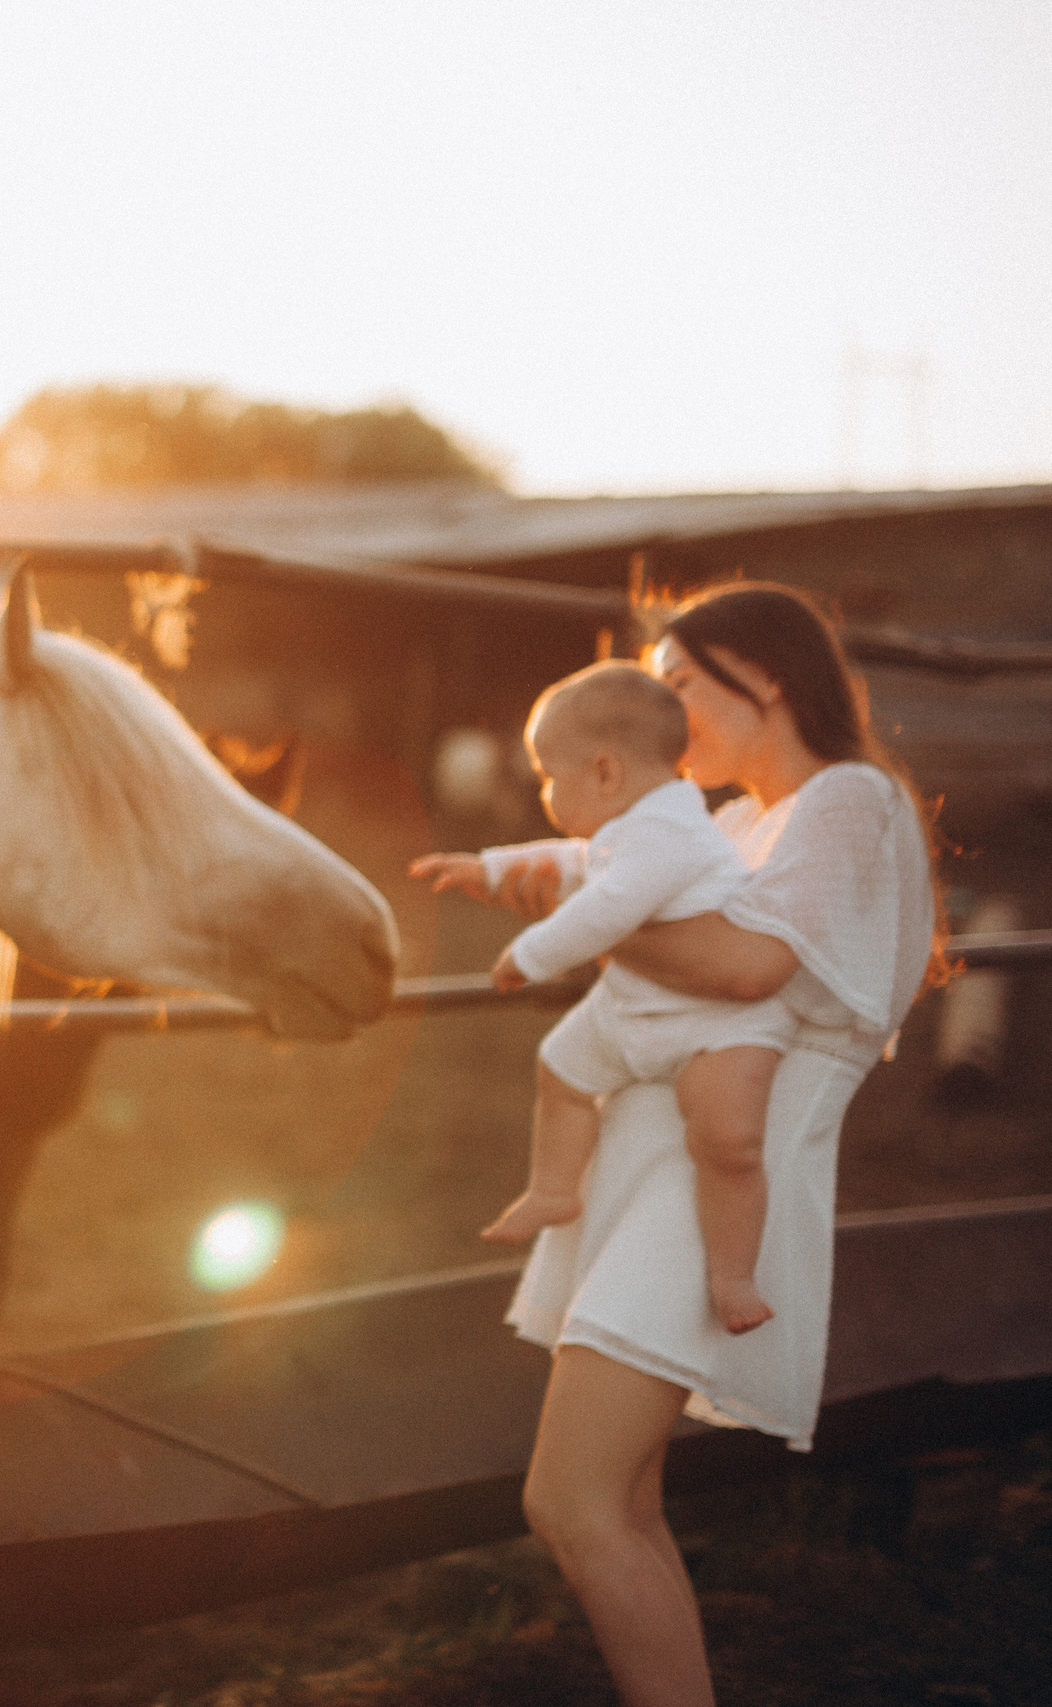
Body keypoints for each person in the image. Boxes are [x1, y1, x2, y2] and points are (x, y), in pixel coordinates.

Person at [451, 582, 939, 1707]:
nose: (658, 715)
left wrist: (587, 929)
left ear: (762, 678)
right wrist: (554, 892)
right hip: (652, 1155)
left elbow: (742, 968)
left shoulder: (847, 799)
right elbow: (654, 913)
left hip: (718, 1179)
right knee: (617, 1503)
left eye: (678, 686)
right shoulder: (727, 825)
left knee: (569, 1499)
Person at [410, 661, 794, 1335]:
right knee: (560, 1067)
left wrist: (529, 954)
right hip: (639, 1005)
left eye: (551, 776)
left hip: (713, 1021)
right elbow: (573, 860)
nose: (546, 792)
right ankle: (554, 1189)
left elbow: (608, 906)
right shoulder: (631, 824)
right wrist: (489, 867)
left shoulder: (669, 833)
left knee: (728, 1142)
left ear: (607, 773)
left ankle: (733, 1276)